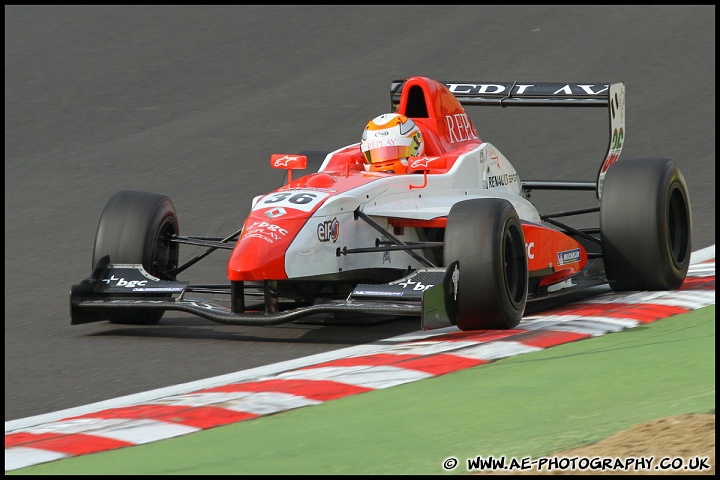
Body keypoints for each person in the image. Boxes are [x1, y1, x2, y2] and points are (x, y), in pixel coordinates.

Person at [360, 113, 425, 174]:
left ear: (417, 142)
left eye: (394, 152)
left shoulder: (432, 178)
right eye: (375, 154)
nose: (384, 166)